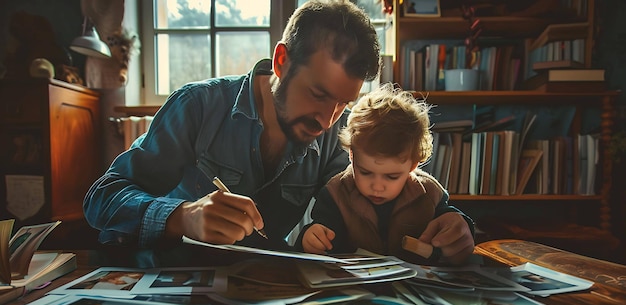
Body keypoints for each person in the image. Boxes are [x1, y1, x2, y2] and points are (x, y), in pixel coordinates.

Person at [83, 0, 473, 261]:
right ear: (282, 61)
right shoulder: (199, 106)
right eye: (317, 94)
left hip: (271, 296)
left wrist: (455, 222)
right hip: (174, 285)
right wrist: (182, 216)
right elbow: (101, 199)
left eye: (342, 103)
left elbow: (381, 193)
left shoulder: (332, 140)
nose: (327, 118)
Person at [295, 83, 474, 264]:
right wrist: (309, 239)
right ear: (351, 155)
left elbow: (451, 224)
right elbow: (321, 232)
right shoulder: (336, 193)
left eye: (392, 177)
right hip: (354, 288)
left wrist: (461, 227)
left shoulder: (428, 193)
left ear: (413, 164)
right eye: (365, 172)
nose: (377, 186)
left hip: (415, 287)